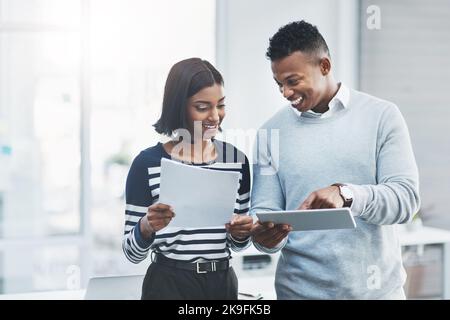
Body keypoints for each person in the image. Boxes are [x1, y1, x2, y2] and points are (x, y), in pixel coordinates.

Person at [250, 21, 420, 299]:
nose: (285, 93)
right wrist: (265, 238)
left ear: (324, 66)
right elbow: (265, 211)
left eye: (293, 81)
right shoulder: (270, 133)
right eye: (279, 84)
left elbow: (405, 200)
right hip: (298, 293)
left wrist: (347, 194)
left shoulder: (382, 116)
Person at [122, 58, 253, 300]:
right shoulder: (147, 164)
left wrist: (241, 233)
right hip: (168, 284)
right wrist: (147, 226)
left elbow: (239, 245)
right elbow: (131, 253)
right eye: (203, 107)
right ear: (178, 107)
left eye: (221, 105)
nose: (215, 116)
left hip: (222, 284)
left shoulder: (237, 161)